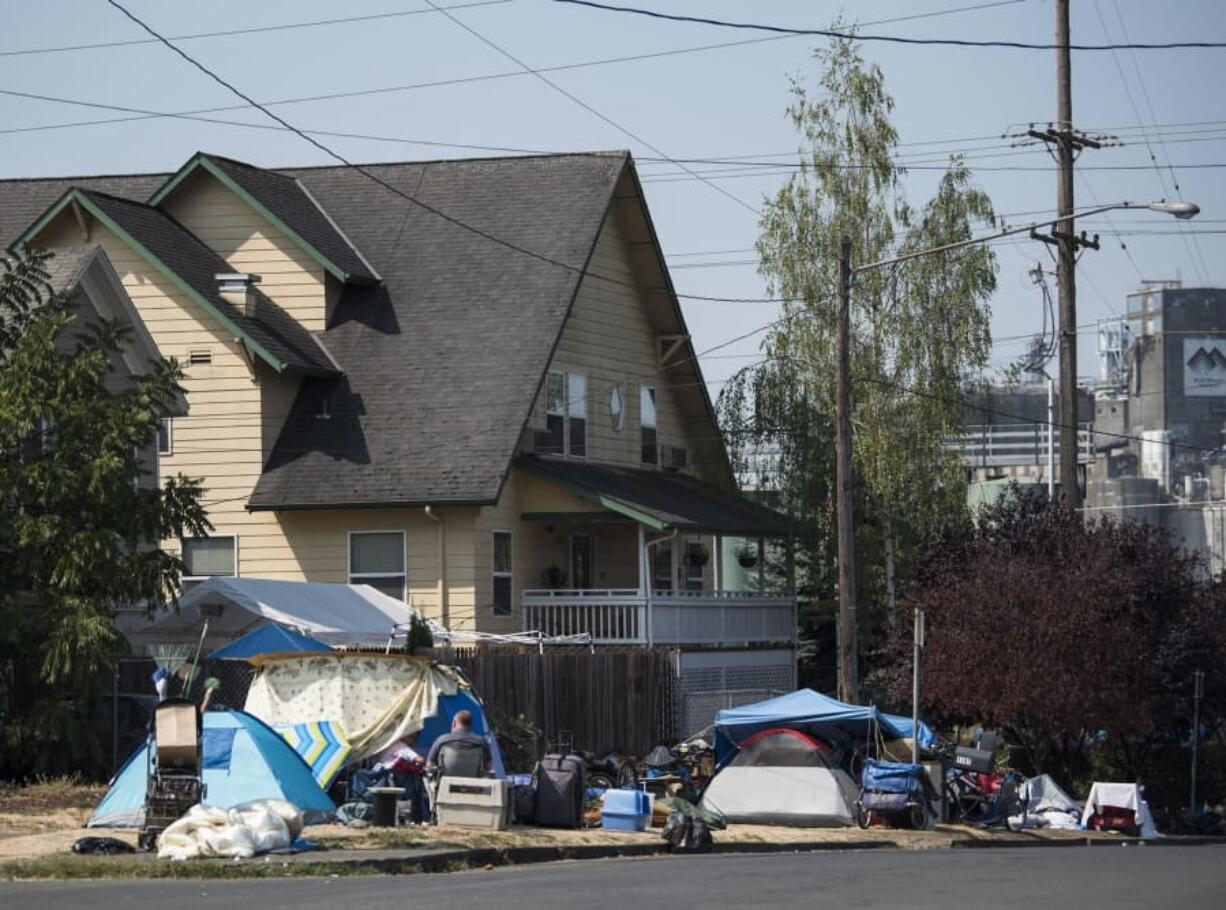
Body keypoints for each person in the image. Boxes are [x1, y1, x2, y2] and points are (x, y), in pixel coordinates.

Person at [350, 733, 430, 824]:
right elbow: (419, 759)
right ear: (407, 736)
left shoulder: (383, 745)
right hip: (394, 780)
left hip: (377, 779)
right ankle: (419, 815)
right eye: (414, 738)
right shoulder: (400, 746)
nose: (414, 742)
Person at [426, 709, 491, 777]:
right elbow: (488, 766)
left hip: (445, 784)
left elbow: (429, 765)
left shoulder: (441, 740)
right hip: (473, 785)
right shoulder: (481, 742)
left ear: (453, 723)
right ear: (471, 725)